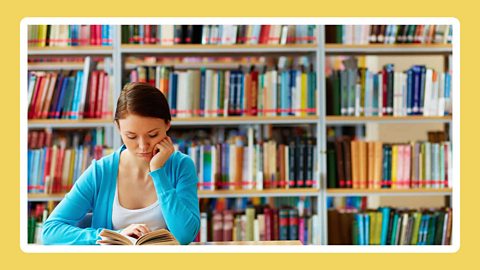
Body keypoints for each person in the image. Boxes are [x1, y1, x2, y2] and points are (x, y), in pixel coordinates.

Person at [42, 82, 200, 245]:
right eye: (131, 136)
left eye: (152, 135)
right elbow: (50, 231)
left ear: (167, 125)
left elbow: (185, 235)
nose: (143, 146)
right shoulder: (101, 171)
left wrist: (158, 172)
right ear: (118, 127)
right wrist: (114, 236)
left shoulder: (182, 166)